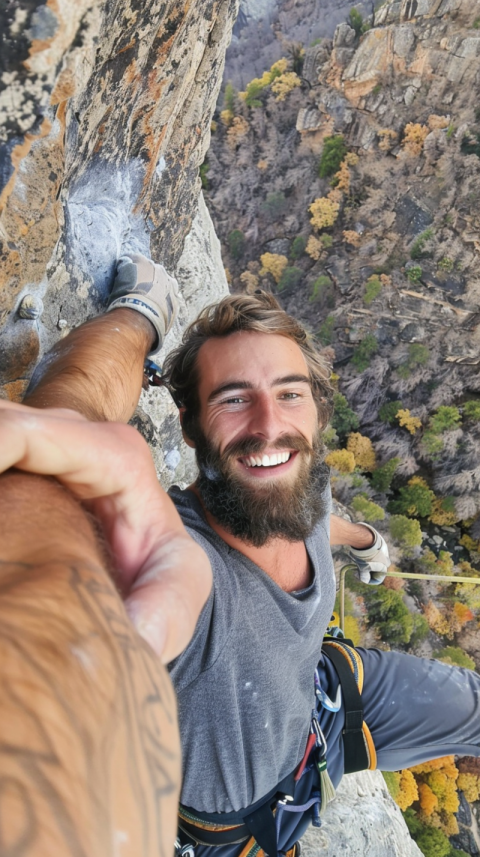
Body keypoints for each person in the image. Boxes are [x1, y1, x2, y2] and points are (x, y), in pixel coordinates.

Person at [2, 254, 480, 857]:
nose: (269, 425)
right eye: (233, 399)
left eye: (290, 394)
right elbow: (74, 421)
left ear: (317, 411)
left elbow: (315, 526)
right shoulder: (181, 563)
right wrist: (139, 315)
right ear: (191, 426)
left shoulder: (297, 480)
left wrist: (365, 543)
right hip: (238, 832)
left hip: (328, 706)